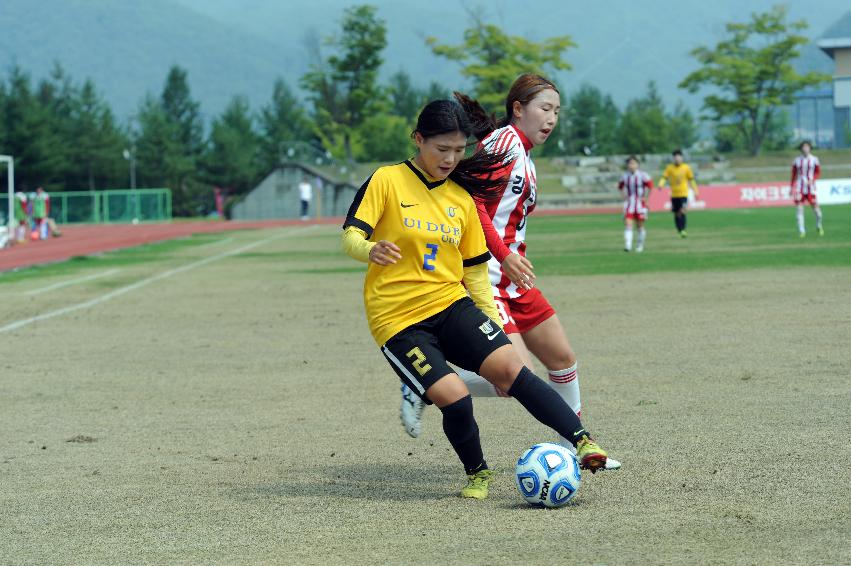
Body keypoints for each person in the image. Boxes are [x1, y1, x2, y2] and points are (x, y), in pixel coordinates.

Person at [341, 99, 610, 499]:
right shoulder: (387, 180)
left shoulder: (462, 200)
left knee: (512, 370)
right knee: (455, 395)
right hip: (398, 320)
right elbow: (350, 236)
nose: (451, 158)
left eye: (459, 150)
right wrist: (370, 249)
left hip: (451, 305)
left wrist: (495, 327)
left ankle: (584, 440)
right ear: (418, 140)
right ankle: (478, 474)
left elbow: (475, 275)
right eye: (441, 149)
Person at [397, 74, 620, 470]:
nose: (551, 118)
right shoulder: (504, 144)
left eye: (556, 111)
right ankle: (426, 386)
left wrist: (513, 259)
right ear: (518, 109)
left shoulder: (524, 153)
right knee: (511, 380)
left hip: (516, 280)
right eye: (544, 108)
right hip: (491, 277)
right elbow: (473, 204)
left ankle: (578, 447)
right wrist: (504, 254)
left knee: (563, 358)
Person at [657, 150, 699, 238]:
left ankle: (683, 230)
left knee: (683, 211)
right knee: (676, 213)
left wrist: (696, 191)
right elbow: (664, 177)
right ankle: (679, 230)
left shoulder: (686, 168)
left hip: (683, 194)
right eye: (675, 157)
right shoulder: (669, 168)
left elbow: (691, 180)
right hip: (674, 194)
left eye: (679, 157)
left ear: (681, 158)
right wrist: (661, 184)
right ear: (673, 158)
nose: (677, 159)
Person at [618, 156, 653, 252]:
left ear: (637, 165)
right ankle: (628, 245)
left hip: (640, 204)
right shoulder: (625, 176)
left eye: (633, 163)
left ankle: (640, 245)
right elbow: (620, 186)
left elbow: (650, 186)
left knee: (639, 225)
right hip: (629, 203)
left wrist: (646, 198)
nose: (631, 165)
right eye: (629, 163)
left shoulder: (643, 175)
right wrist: (623, 196)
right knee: (628, 223)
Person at [791, 141, 823, 237]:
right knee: (799, 209)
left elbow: (818, 173)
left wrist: (812, 180)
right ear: (801, 149)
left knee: (817, 212)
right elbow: (793, 175)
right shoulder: (797, 160)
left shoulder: (814, 159)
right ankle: (802, 230)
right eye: (803, 147)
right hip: (800, 188)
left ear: (810, 148)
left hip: (811, 189)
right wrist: (791, 186)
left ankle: (819, 225)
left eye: (807, 147)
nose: (805, 149)